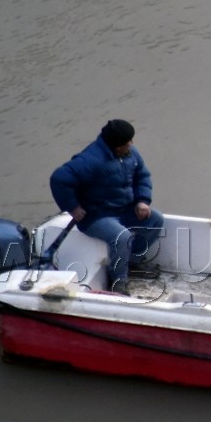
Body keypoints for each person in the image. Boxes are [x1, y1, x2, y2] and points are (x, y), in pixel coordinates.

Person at [50, 119, 165, 293]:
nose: (132, 145)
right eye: (128, 143)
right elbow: (59, 179)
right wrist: (72, 207)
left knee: (155, 219)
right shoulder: (90, 160)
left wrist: (143, 200)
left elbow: (142, 176)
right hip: (97, 215)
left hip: (124, 208)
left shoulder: (130, 154)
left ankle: (132, 261)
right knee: (122, 237)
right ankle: (119, 280)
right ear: (117, 146)